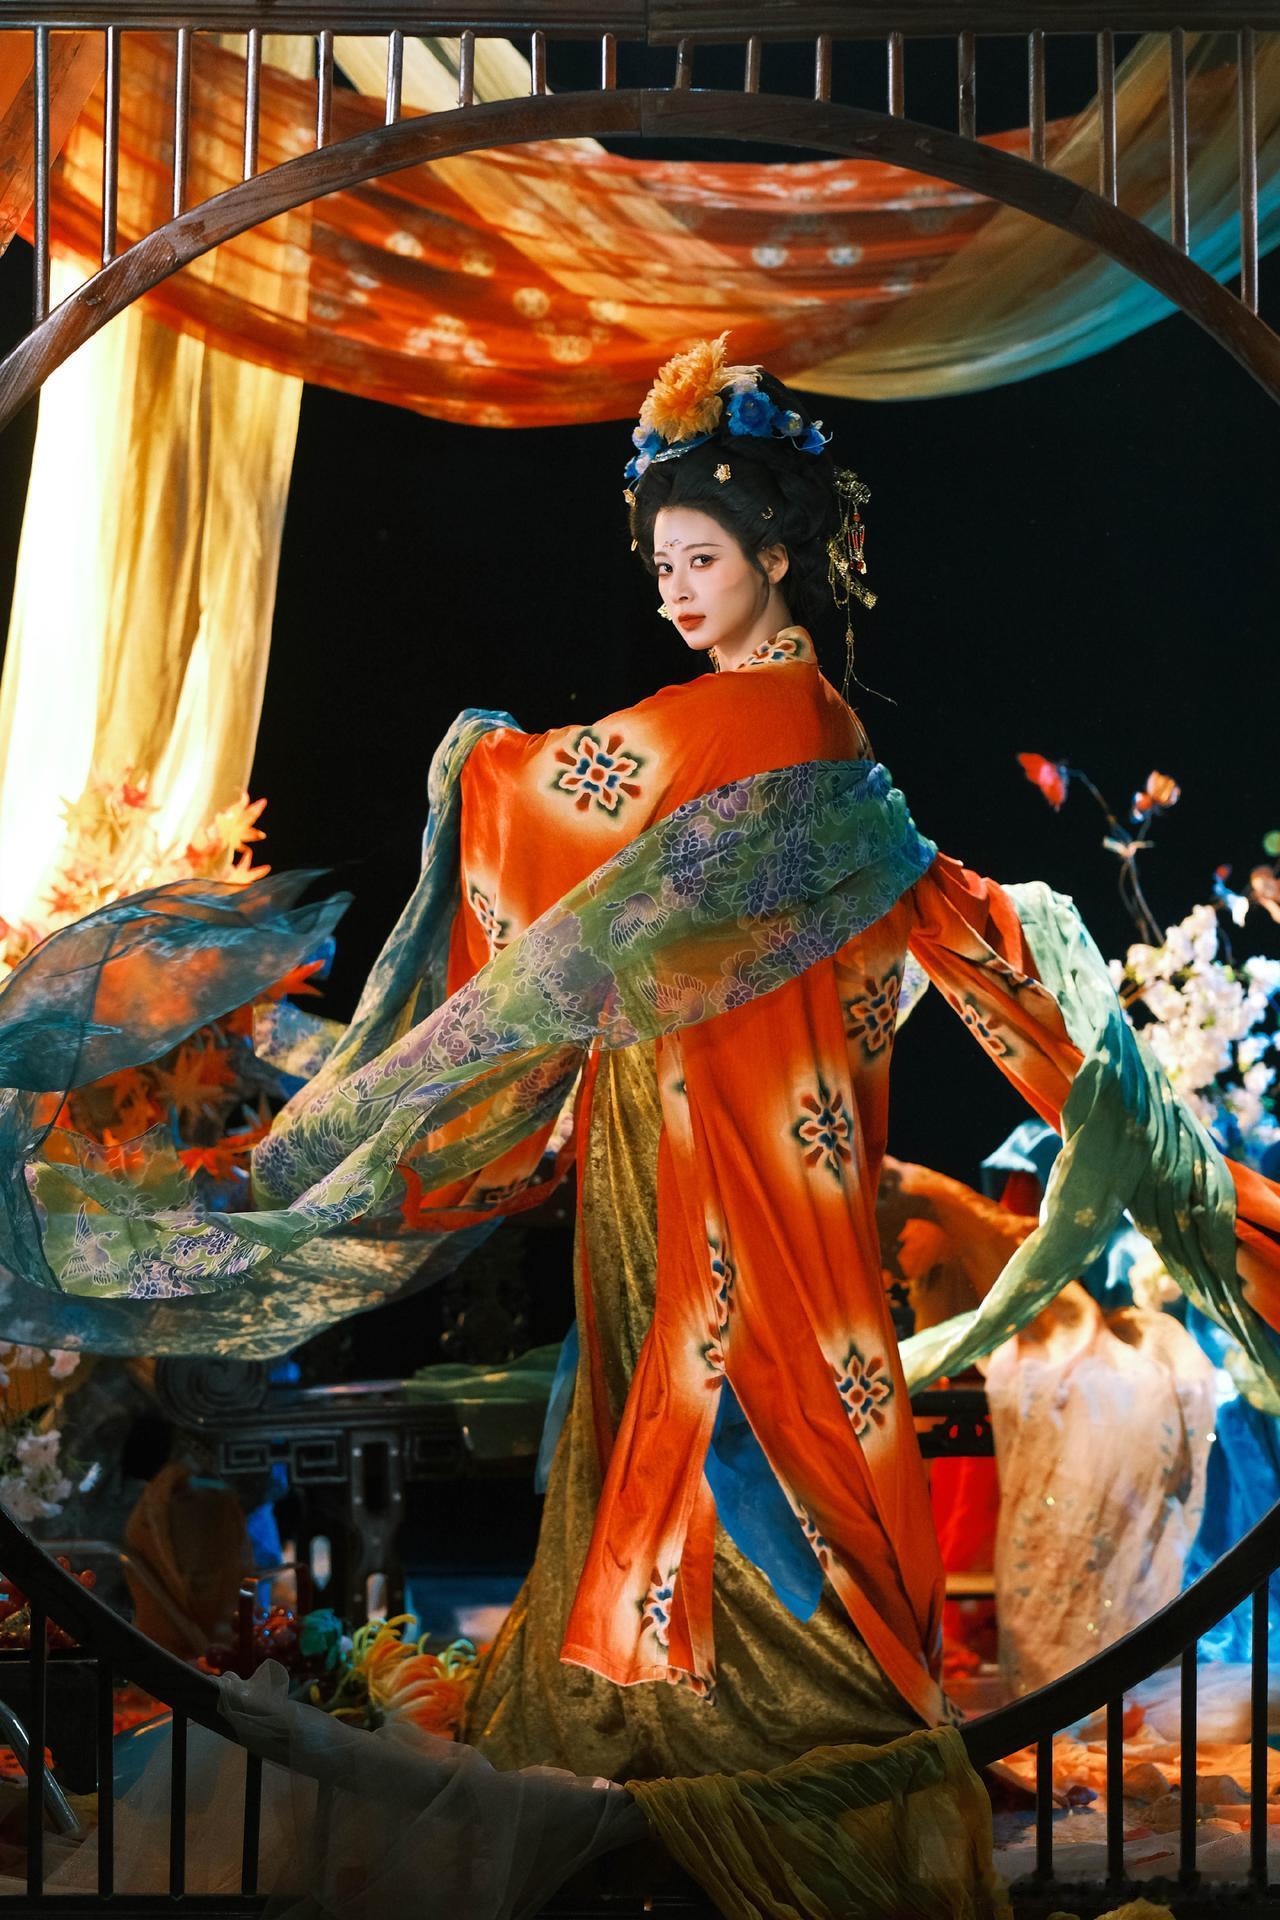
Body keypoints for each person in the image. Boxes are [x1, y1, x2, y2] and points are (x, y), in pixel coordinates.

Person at [7, 335, 1280, 1790]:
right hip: (775, 1130)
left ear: (779, 556)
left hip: (702, 1136)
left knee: (715, 1390)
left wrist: (476, 759)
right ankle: (844, 1694)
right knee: (817, 1391)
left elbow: (557, 802)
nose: (674, 590)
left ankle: (714, 1705)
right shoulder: (823, 724)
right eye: (663, 564)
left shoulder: (751, 714)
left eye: (702, 560)